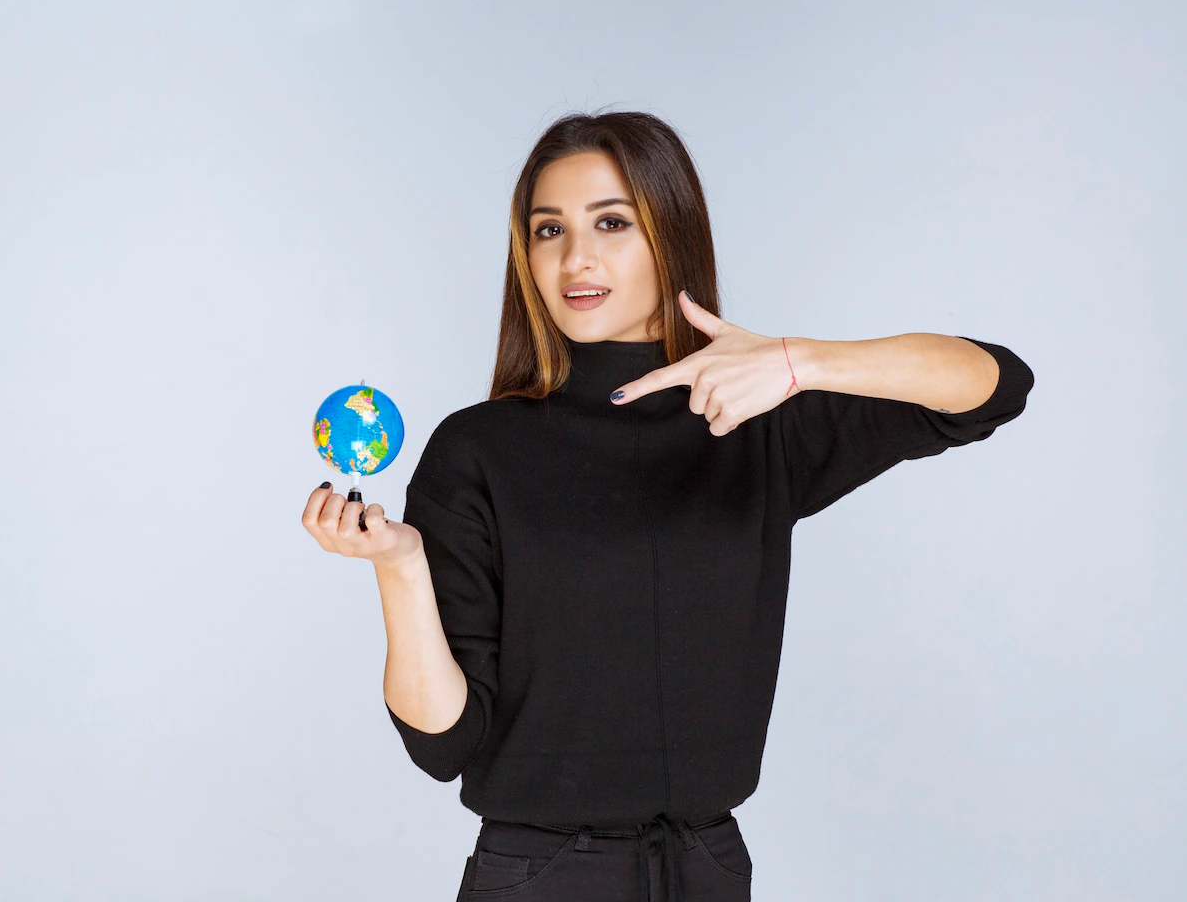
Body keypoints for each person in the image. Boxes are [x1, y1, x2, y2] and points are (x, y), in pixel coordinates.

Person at [300, 110, 1035, 902]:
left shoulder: (755, 419)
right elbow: (444, 743)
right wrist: (400, 568)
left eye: (611, 222)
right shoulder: (477, 450)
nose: (576, 257)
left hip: (708, 868)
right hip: (538, 876)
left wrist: (798, 363)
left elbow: (995, 385)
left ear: (670, 234)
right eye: (549, 230)